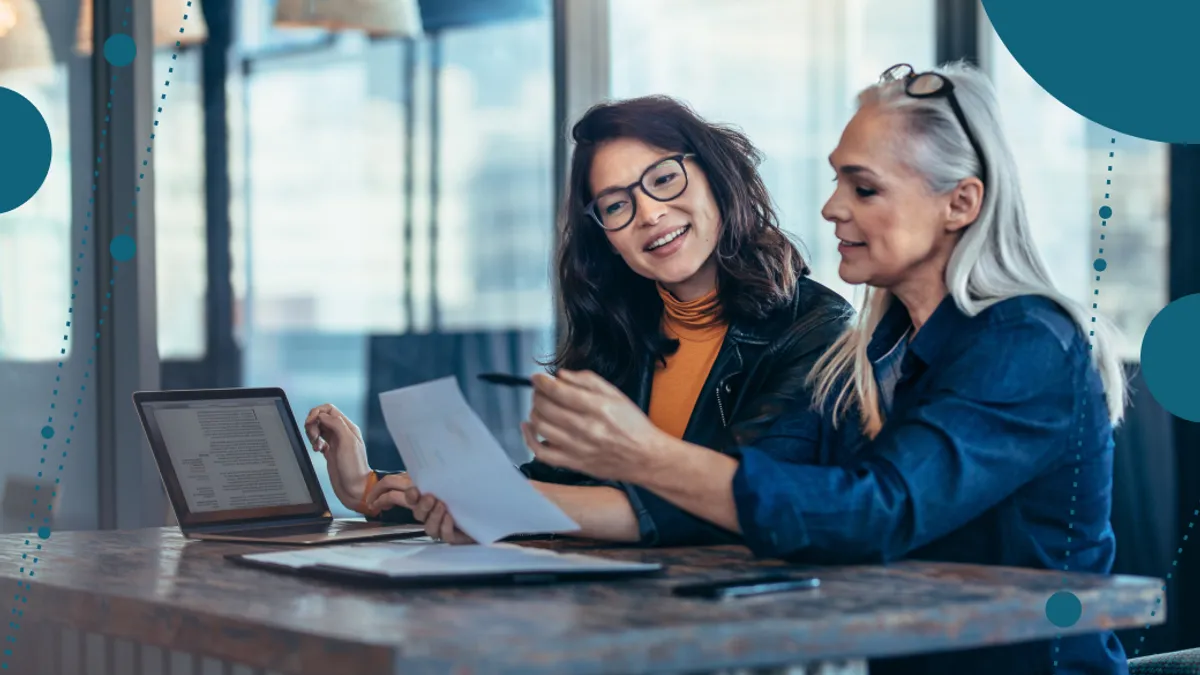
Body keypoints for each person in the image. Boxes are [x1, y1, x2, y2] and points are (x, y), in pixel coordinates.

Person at [517, 62, 1130, 675]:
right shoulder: (868, 354)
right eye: (837, 181)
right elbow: (781, 491)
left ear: (960, 204)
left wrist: (643, 454)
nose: (832, 207)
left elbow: (876, 514)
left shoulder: (1027, 342)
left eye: (863, 189)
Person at [306, 95, 855, 546]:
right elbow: (559, 485)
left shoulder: (817, 329)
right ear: (607, 239)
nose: (649, 214)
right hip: (615, 610)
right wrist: (373, 488)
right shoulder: (622, 331)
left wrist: (495, 504)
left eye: (664, 179)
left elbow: (734, 502)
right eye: (616, 205)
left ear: (715, 176)